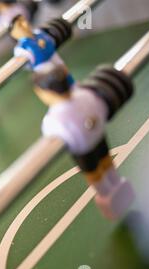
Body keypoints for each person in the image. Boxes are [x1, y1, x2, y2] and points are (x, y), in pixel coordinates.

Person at [32, 64, 134, 219]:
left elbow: (48, 134)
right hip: (99, 137)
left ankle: (107, 195)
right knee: (106, 161)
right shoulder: (85, 94)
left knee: (94, 173)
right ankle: (117, 183)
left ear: (47, 93)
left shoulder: (53, 120)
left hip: (83, 150)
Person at [9, 14, 74, 85]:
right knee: (57, 86)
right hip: (45, 70)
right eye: (20, 24)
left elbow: (50, 43)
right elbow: (28, 64)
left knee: (69, 80)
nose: (25, 24)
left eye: (24, 20)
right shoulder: (21, 49)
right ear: (13, 34)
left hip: (56, 60)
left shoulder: (39, 33)